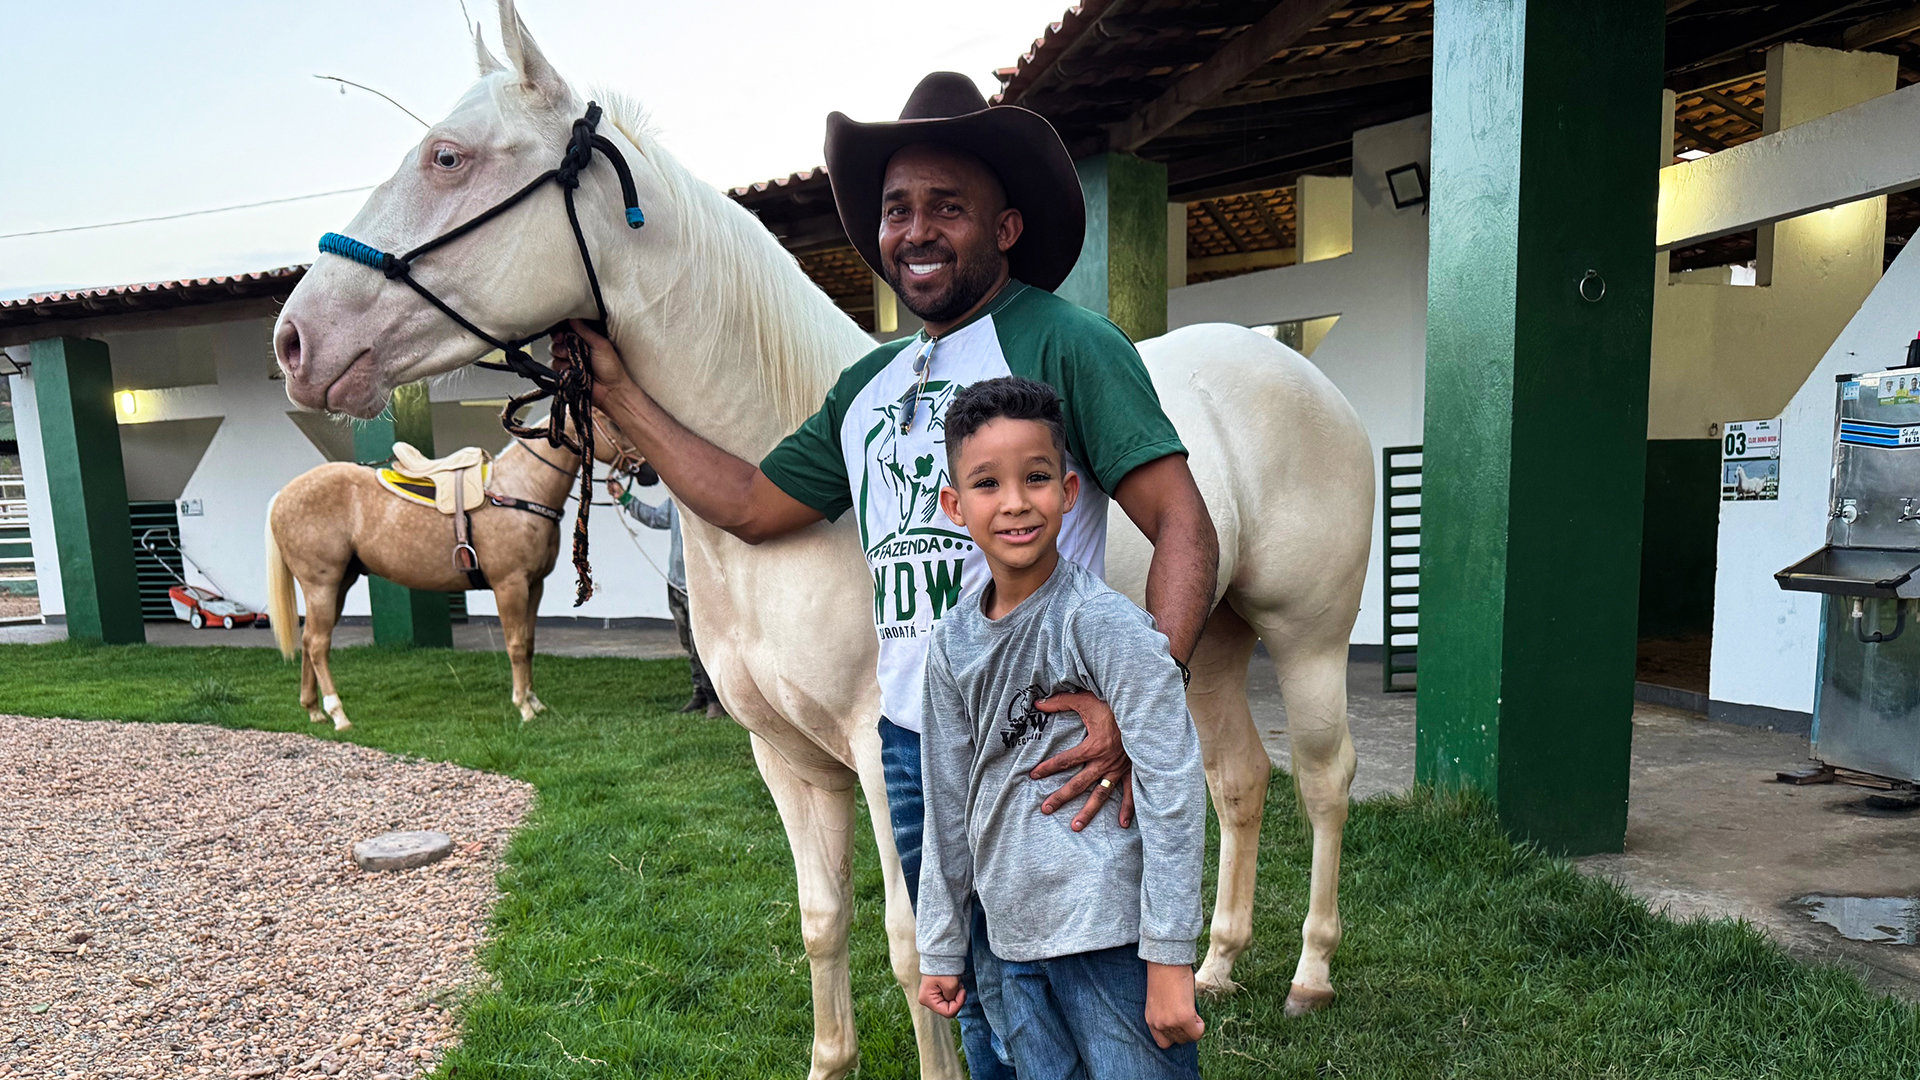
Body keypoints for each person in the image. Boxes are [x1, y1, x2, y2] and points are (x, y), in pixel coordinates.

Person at [554, 71, 1218, 1077]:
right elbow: (746, 501)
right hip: (918, 749)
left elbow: (1182, 526)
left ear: (1003, 228)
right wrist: (622, 397)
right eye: (898, 208)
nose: (917, 228)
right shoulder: (869, 389)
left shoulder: (1066, 342)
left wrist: (1141, 699)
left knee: (1112, 1014)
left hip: (1048, 741)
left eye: (947, 206)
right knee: (993, 1016)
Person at [917, 376, 1205, 1078]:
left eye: (1037, 478)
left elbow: (1171, 775)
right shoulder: (951, 645)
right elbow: (946, 803)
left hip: (1110, 938)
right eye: (988, 483)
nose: (1016, 501)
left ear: (1069, 492)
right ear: (955, 505)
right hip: (1008, 943)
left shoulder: (1099, 622)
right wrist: (942, 945)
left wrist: (1169, 956)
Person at [612, 474, 722, 718]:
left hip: (697, 586)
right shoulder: (675, 501)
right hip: (675, 583)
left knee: (701, 644)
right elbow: (654, 517)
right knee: (687, 642)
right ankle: (699, 694)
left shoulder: (707, 502)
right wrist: (624, 498)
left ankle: (716, 699)